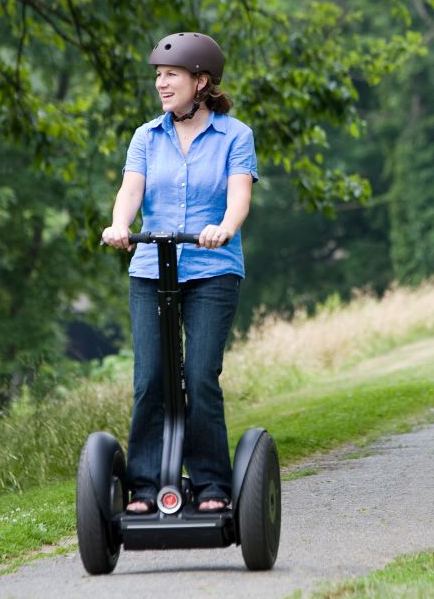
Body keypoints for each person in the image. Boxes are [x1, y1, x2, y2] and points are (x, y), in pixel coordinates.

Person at [102, 32, 258, 514]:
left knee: (200, 376)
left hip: (212, 271)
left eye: (171, 75)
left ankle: (212, 483)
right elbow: (131, 192)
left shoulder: (236, 135)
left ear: (201, 80)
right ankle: (145, 487)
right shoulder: (146, 136)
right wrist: (119, 225)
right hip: (151, 270)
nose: (162, 84)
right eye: (158, 76)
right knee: (151, 378)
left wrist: (223, 228)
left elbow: (239, 199)